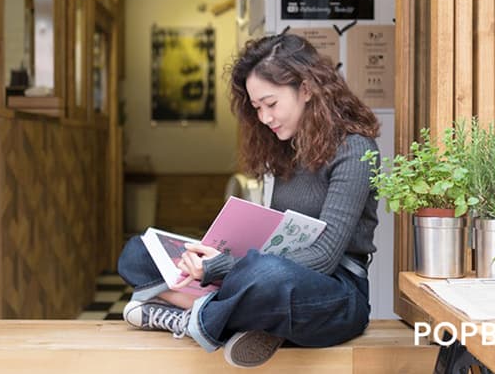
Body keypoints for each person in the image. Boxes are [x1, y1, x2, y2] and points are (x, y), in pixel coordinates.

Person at [117, 31, 380, 368]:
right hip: (264, 278)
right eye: (257, 108)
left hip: (334, 294)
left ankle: (195, 316)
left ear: (306, 88)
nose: (264, 118)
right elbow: (276, 240)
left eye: (271, 104)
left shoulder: (354, 149)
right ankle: (225, 316)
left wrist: (225, 267)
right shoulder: (291, 147)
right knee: (139, 251)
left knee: (270, 276)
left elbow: (325, 258)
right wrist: (217, 258)